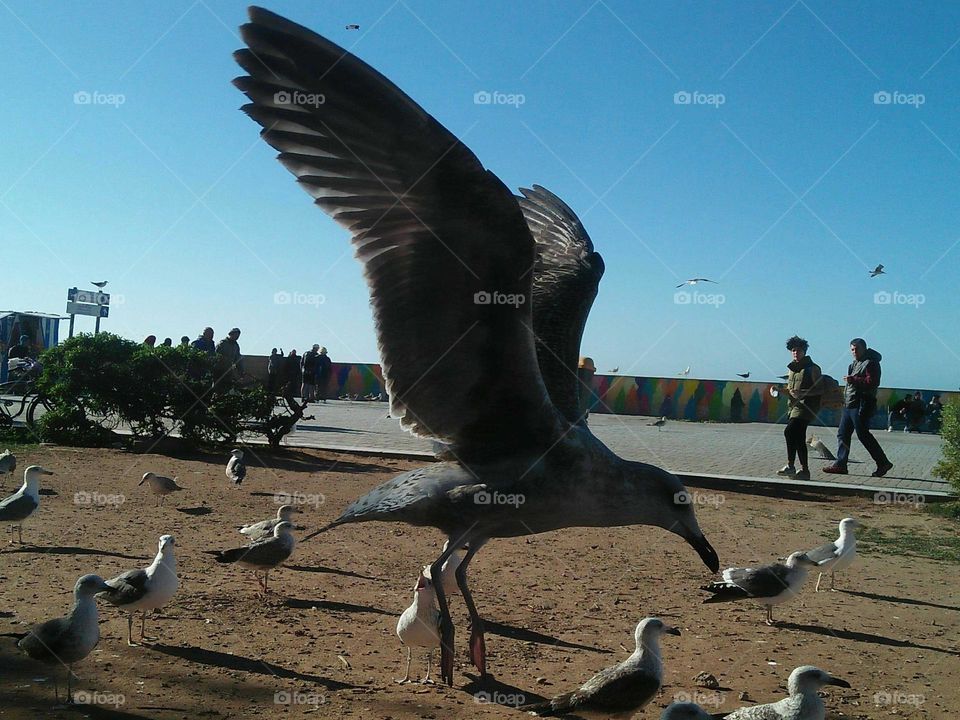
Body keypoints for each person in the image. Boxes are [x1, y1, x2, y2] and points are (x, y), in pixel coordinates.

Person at [824, 338, 893, 477]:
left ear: (864, 349)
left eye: (857, 349)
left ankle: (883, 462)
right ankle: (841, 464)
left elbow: (873, 382)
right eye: (852, 350)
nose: (854, 352)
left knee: (863, 435)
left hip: (862, 403)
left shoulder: (871, 363)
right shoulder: (854, 364)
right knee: (843, 433)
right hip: (850, 403)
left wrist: (853, 380)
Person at [777, 336, 823, 481]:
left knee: (789, 431)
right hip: (793, 407)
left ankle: (793, 466)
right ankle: (803, 470)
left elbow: (820, 389)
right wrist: (779, 390)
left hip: (808, 407)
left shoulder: (813, 368)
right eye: (793, 350)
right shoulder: (791, 369)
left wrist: (803, 393)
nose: (795, 353)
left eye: (798, 350)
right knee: (797, 436)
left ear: (804, 351)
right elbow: (792, 390)